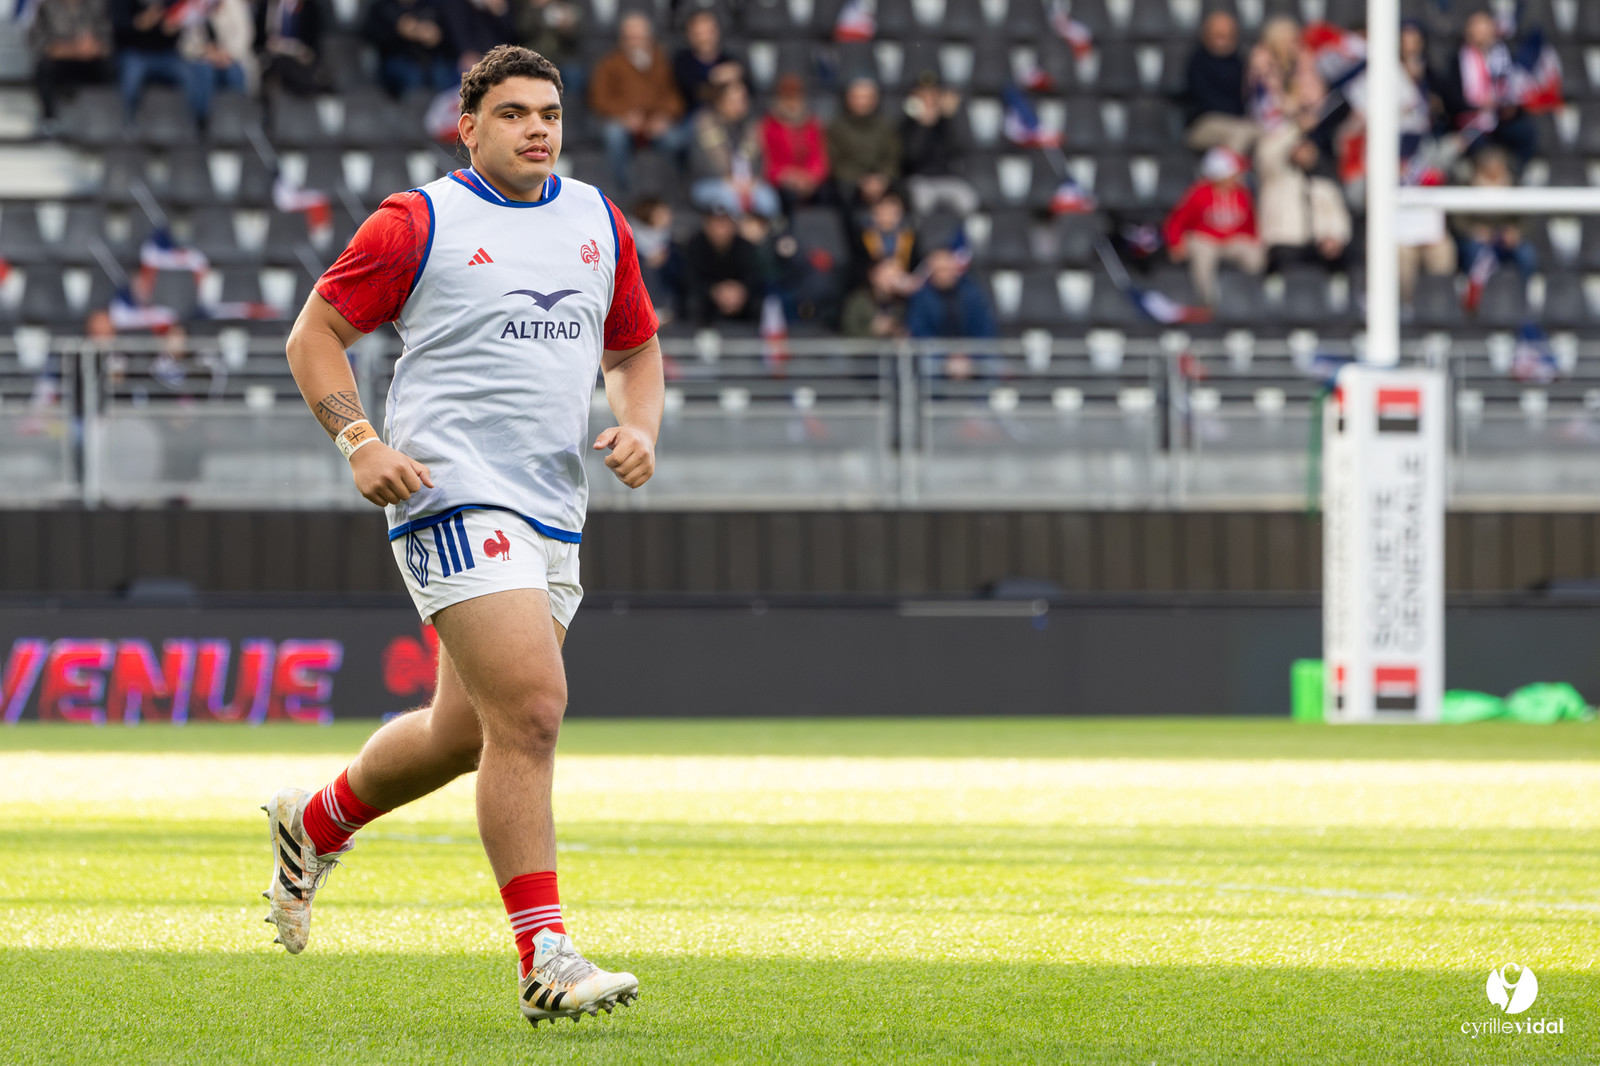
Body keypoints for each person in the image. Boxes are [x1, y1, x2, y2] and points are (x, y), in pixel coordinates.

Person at [269, 45, 662, 1028]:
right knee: (531, 709)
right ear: (469, 125)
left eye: (551, 114)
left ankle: (310, 825)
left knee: (463, 734)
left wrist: (640, 423)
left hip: (551, 507)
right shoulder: (419, 220)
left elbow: (636, 345)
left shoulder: (594, 220)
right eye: (516, 112)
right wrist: (358, 440)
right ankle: (547, 955)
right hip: (448, 494)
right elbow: (312, 336)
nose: (538, 128)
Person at [589, 12, 686, 192]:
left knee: (676, 140)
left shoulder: (662, 62)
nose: (635, 42)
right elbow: (599, 99)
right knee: (613, 135)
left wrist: (663, 117)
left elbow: (674, 97)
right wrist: (625, 115)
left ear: (649, 38)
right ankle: (622, 188)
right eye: (630, 38)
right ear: (622, 39)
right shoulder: (609, 64)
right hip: (624, 122)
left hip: (654, 124)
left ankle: (672, 190)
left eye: (640, 38)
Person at [1163, 147, 1264, 307]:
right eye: (1233, 172)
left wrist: (1254, 241)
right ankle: (1207, 301)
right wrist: (1175, 243)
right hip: (1206, 239)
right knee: (1201, 251)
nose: (1236, 176)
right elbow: (1176, 221)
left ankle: (1251, 295)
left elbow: (1251, 225)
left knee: (1254, 253)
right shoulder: (1199, 193)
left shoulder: (1242, 193)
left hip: (1232, 241)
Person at [1255, 124, 1350, 274]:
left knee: (1343, 262)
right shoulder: (1275, 179)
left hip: (1317, 245)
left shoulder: (1325, 186)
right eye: (1300, 149)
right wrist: (1297, 127)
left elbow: (1338, 217)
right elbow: (1267, 153)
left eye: (1309, 150)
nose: (1305, 153)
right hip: (1283, 243)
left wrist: (1335, 237)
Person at [1449, 11, 1538, 168]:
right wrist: (1479, 105)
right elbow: (1452, 99)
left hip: (1499, 119)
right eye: (1477, 29)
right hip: (1471, 122)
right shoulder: (1459, 59)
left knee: (1525, 133)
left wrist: (1509, 107)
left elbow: (1512, 89)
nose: (1482, 34)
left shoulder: (1503, 55)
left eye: (1485, 29)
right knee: (1477, 146)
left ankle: (1517, 176)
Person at [689, 79, 780, 218]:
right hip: (710, 182)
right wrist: (731, 181)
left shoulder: (751, 124)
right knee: (729, 199)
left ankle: (768, 237)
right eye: (733, 101)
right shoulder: (705, 122)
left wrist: (753, 180)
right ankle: (740, 236)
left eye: (743, 100)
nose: (740, 105)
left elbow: (760, 159)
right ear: (719, 102)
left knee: (767, 198)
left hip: (747, 183)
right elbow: (704, 163)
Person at [906, 248, 996, 379]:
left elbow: (985, 330)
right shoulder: (921, 298)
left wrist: (969, 357)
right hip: (935, 354)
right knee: (925, 365)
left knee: (993, 364)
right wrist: (946, 358)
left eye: (947, 268)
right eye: (939, 269)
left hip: (972, 353)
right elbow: (919, 332)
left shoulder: (973, 294)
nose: (944, 274)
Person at [29, 0, 113, 135]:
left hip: (89, 61)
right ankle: (49, 119)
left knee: (110, 67)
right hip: (60, 62)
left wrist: (94, 48)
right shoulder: (47, 6)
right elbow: (40, 43)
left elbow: (107, 41)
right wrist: (74, 49)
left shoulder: (97, 5)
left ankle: (106, 121)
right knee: (43, 68)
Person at [899, 71, 978, 217]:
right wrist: (923, 125)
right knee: (920, 202)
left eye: (933, 94)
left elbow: (960, 149)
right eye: (923, 95)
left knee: (967, 200)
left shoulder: (950, 120)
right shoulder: (908, 123)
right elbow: (911, 156)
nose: (929, 100)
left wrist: (950, 119)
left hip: (949, 177)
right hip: (920, 178)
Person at [1183, 12, 1256, 155]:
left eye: (1227, 34)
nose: (1223, 39)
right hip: (1203, 123)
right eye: (1218, 34)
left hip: (1238, 121)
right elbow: (1204, 99)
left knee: (1268, 135)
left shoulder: (1239, 62)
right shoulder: (1198, 62)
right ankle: (1226, 176)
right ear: (1207, 35)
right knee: (1239, 134)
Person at [760, 74, 830, 213]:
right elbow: (766, 161)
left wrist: (811, 177)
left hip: (809, 180)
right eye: (787, 98)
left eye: (795, 97)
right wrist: (787, 176)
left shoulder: (812, 125)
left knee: (828, 194)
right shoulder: (769, 126)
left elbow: (819, 158)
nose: (792, 103)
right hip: (783, 182)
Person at [827, 76, 899, 207]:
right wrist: (861, 180)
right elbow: (835, 161)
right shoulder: (837, 127)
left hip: (881, 178)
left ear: (875, 99)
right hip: (850, 179)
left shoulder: (886, 125)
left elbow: (892, 157)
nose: (863, 102)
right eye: (858, 97)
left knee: (902, 190)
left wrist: (882, 178)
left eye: (867, 97)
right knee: (842, 192)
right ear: (848, 99)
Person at [363, 0, 457, 98]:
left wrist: (437, 35)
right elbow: (368, 36)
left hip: (432, 59)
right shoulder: (382, 7)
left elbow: (453, 36)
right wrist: (398, 30)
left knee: (445, 76)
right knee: (414, 77)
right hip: (397, 59)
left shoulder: (431, 5)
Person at [683, 205, 760, 324]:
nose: (720, 230)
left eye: (724, 224)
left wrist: (740, 290)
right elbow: (690, 276)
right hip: (708, 295)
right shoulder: (695, 245)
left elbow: (753, 274)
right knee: (693, 302)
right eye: (715, 224)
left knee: (758, 302)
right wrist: (715, 291)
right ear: (707, 226)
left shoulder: (745, 246)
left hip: (739, 296)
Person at [672, 8, 740, 114]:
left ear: (717, 32)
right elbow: (694, 92)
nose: (704, 38)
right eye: (698, 34)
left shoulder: (728, 59)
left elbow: (746, 92)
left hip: (730, 117)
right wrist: (716, 77)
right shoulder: (683, 61)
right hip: (692, 117)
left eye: (708, 32)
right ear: (689, 35)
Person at [258, 0, 330, 97]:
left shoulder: (309, 7)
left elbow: (313, 40)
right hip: (274, 56)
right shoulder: (268, 5)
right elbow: (260, 37)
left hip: (301, 56)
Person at [841, 256, 917, 338]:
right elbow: (847, 334)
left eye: (897, 274)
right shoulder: (857, 301)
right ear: (873, 275)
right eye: (886, 275)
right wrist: (873, 331)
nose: (892, 279)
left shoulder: (904, 302)